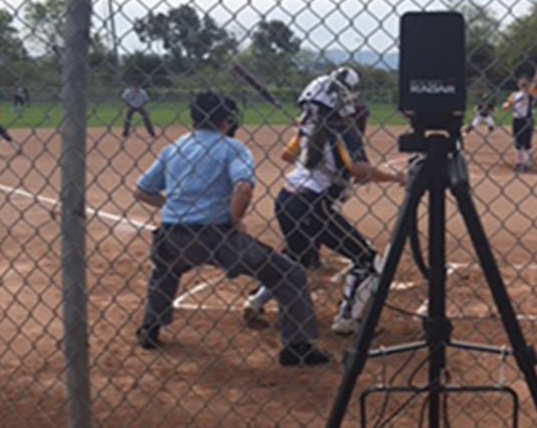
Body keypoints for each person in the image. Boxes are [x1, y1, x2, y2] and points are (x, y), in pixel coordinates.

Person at [132, 91, 330, 367]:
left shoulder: (174, 147)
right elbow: (243, 188)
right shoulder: (233, 148)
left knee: (164, 269)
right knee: (289, 274)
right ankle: (295, 346)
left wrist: (174, 205)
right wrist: (235, 220)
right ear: (226, 120)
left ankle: (150, 328)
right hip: (216, 235)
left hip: (172, 234)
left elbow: (141, 190)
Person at [245, 68, 401, 336]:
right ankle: (347, 319)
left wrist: (313, 151)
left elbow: (286, 156)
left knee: (297, 257)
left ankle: (257, 300)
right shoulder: (342, 130)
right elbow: (360, 170)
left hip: (286, 199)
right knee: (366, 260)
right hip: (312, 204)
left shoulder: (308, 127)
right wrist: (395, 177)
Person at [506, 67, 537, 172]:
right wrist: (507, 105)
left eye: (525, 83)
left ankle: (527, 163)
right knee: (517, 142)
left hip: (527, 120)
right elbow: (507, 106)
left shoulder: (529, 94)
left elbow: (535, 84)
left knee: (526, 142)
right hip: (516, 120)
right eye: (522, 83)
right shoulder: (514, 95)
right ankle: (519, 162)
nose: (523, 85)